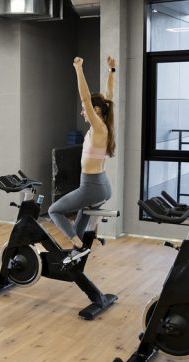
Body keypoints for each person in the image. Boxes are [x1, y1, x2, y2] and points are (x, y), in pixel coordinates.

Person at [48, 56, 117, 264]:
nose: (83, 112)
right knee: (81, 217)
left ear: (96, 111)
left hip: (92, 186)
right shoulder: (104, 124)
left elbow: (86, 98)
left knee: (54, 210)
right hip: (102, 185)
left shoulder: (98, 127)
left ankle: (77, 245)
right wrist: (112, 70)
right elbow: (109, 96)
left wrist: (78, 69)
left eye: (86, 109)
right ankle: (77, 250)